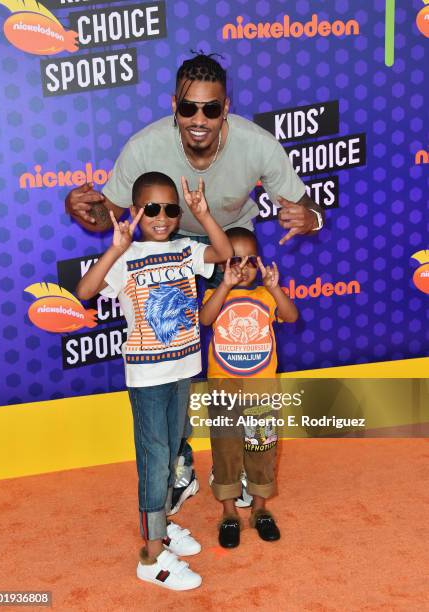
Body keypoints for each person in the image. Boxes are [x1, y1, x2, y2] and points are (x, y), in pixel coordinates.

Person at [66, 53, 324, 513]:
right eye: (189, 108)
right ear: (174, 106)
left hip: (230, 254)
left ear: (226, 107)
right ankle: (181, 464)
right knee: (175, 359)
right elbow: (107, 214)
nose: (198, 119)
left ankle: (244, 465)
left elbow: (303, 208)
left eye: (210, 109)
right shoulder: (145, 147)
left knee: (241, 359)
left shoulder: (256, 144)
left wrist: (313, 218)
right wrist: (81, 210)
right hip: (172, 253)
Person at [76, 171, 232, 589]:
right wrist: (114, 250)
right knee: (155, 459)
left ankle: (162, 524)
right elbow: (85, 291)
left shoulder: (186, 249)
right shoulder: (125, 257)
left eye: (170, 209)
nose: (161, 217)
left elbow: (224, 251)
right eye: (151, 209)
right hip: (147, 378)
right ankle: (151, 555)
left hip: (183, 370)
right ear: (135, 210)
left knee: (177, 450)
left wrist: (204, 214)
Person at [199, 227, 298, 548]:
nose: (243, 268)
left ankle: (260, 510)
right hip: (224, 392)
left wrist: (276, 288)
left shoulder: (266, 296)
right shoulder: (215, 296)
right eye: (234, 261)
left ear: (259, 263)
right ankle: (229, 513)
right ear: (221, 265)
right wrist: (224, 287)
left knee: (262, 451)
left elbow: (291, 315)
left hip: (261, 394)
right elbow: (205, 319)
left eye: (250, 261)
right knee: (226, 453)